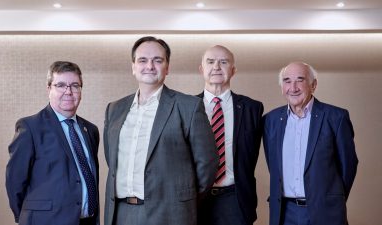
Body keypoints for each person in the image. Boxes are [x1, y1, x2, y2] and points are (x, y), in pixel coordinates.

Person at [103, 36, 219, 225]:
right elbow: (112, 159)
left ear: (167, 67)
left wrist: (182, 200)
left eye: (157, 60)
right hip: (121, 213)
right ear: (133, 67)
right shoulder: (114, 109)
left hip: (170, 214)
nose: (150, 66)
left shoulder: (189, 106)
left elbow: (208, 163)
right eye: (142, 60)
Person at [263, 61, 358, 225]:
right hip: (284, 213)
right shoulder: (270, 120)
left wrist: (333, 198)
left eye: (300, 80)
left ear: (313, 85)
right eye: (287, 81)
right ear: (282, 87)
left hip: (325, 211)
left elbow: (348, 165)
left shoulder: (336, 118)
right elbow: (274, 166)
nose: (293, 88)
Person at [5, 61, 100, 225]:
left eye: (75, 85)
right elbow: (14, 181)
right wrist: (26, 217)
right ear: (49, 88)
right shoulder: (30, 127)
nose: (68, 92)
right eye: (61, 85)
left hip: (87, 221)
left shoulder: (90, 130)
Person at [197, 45, 264, 225]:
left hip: (236, 199)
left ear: (233, 70)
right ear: (201, 69)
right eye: (210, 62)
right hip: (196, 199)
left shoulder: (252, 109)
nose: (217, 67)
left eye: (223, 62)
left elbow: (253, 154)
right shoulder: (186, 107)